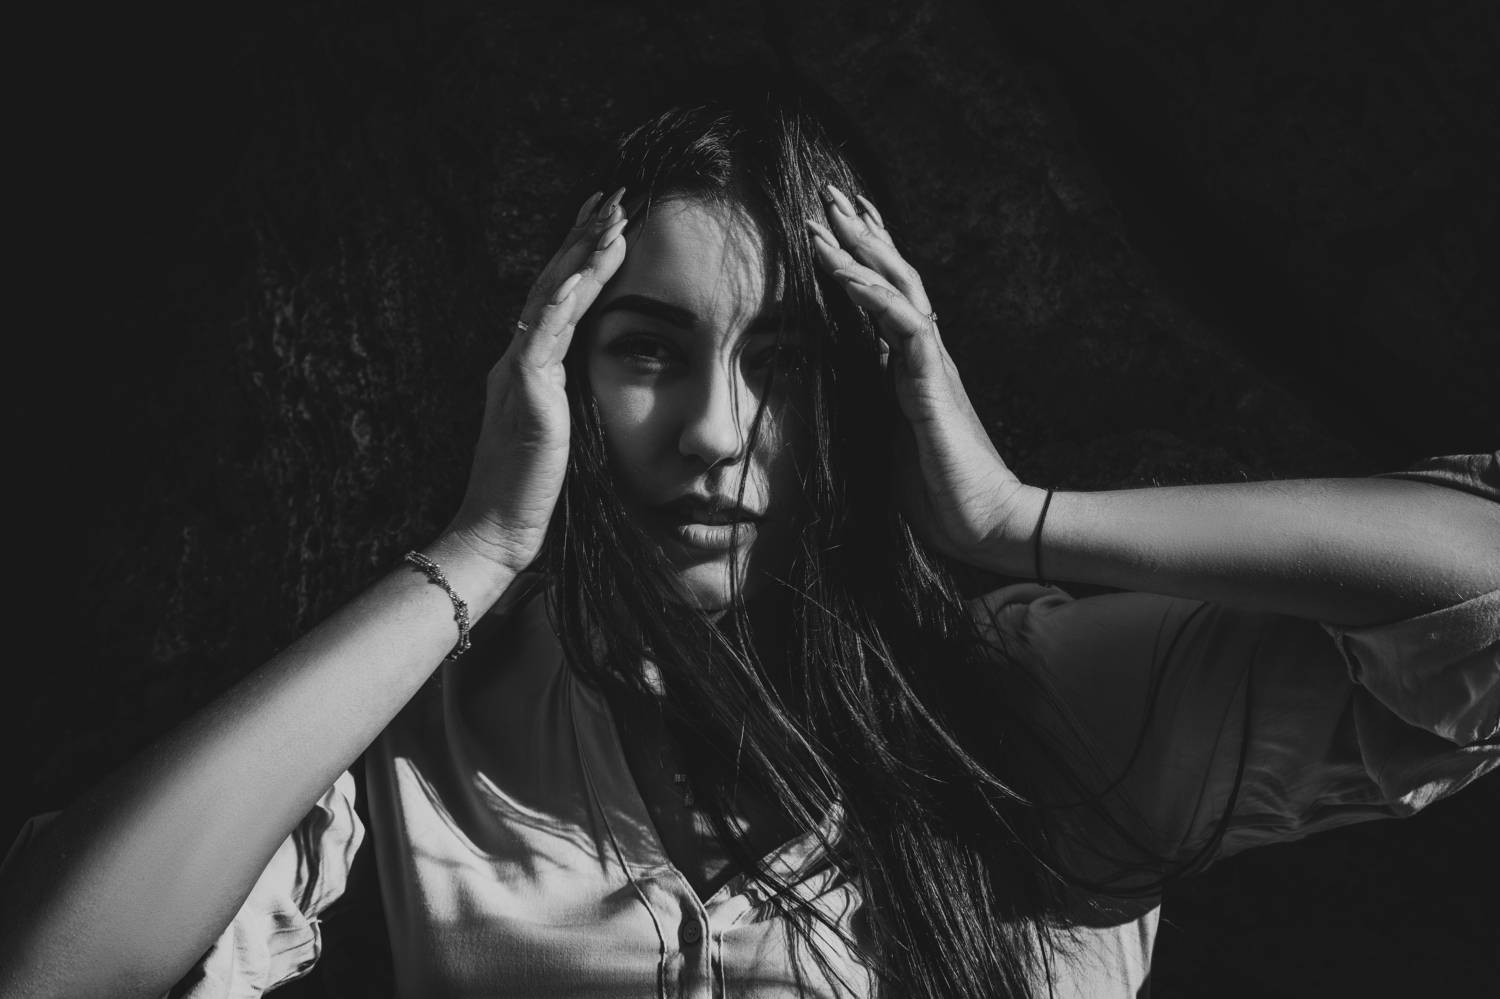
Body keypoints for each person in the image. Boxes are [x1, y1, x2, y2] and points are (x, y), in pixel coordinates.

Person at [1, 90, 1496, 999]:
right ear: (559, 377)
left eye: (782, 362)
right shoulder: (431, 747)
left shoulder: (1032, 703)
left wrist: (1015, 517)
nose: (715, 430)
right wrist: (478, 551)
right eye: (649, 351)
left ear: (867, 396)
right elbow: (53, 962)